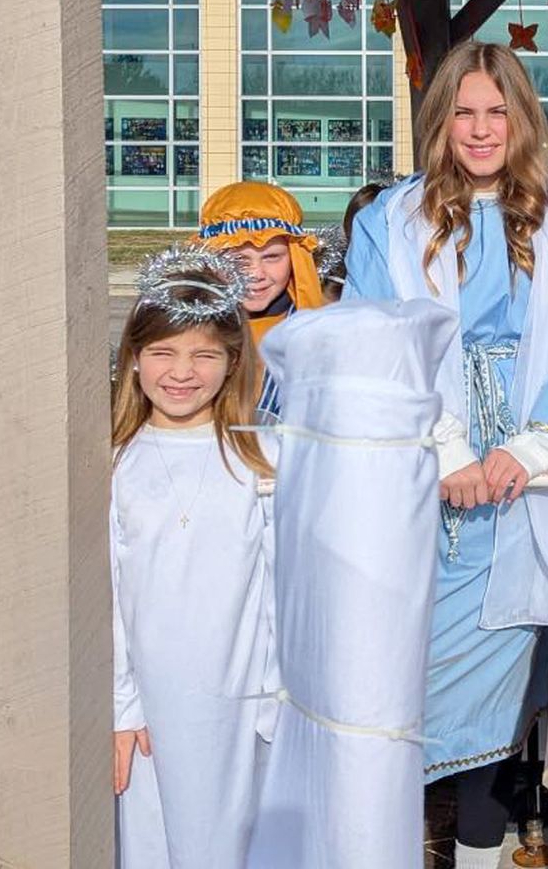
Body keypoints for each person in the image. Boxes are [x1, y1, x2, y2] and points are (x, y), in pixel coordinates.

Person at [343, 41, 548, 869]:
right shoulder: (388, 223)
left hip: (526, 498)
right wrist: (448, 451)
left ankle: (473, 857)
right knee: (394, 698)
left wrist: (529, 451)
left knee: (495, 714)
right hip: (419, 488)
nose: (480, 128)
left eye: (497, 111)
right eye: (464, 111)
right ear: (440, 120)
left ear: (522, 120)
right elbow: (371, 344)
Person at [110, 249, 277, 869]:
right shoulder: (116, 464)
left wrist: (277, 695)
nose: (182, 373)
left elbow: (282, 589)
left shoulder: (262, 460)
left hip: (242, 706)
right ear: (133, 357)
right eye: (163, 352)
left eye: (204, 355)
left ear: (233, 362)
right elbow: (109, 594)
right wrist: (122, 706)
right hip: (151, 711)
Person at [196, 181, 326, 416]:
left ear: (295, 258)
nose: (256, 274)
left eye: (272, 257)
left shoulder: (320, 331)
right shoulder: (185, 326)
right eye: (239, 261)